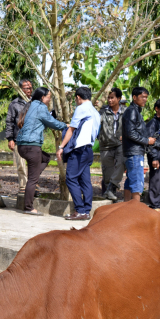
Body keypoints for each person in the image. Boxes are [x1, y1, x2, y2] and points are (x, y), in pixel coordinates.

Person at [16, 87, 67, 215]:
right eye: (49, 97)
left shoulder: (31, 105)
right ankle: (28, 208)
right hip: (32, 146)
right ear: (42, 97)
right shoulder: (41, 107)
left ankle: (34, 175)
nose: (49, 99)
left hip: (22, 146)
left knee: (45, 158)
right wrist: (66, 126)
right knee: (32, 180)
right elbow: (51, 123)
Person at [56, 87, 100, 221]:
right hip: (88, 150)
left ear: (78, 97)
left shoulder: (81, 108)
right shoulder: (95, 112)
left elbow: (71, 130)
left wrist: (61, 146)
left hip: (79, 149)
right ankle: (86, 211)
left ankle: (80, 210)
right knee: (85, 181)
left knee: (70, 178)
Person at [121, 87, 160, 203]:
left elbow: (143, 135)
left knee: (130, 180)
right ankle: (136, 209)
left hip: (134, 151)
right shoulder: (131, 111)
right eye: (142, 97)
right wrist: (147, 141)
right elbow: (130, 133)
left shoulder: (136, 111)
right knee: (137, 181)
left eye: (146, 97)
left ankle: (126, 206)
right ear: (134, 97)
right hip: (134, 152)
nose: (145, 99)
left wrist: (159, 144)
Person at [98, 88, 127, 200]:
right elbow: (96, 122)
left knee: (121, 163)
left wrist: (125, 136)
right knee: (107, 172)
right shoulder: (103, 112)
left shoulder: (126, 111)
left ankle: (111, 189)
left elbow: (130, 126)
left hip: (120, 144)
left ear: (119, 99)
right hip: (105, 145)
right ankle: (109, 194)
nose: (110, 100)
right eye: (108, 98)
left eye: (112, 98)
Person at [5, 79, 33, 192]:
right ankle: (23, 186)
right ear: (20, 89)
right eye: (27, 88)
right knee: (21, 165)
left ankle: (31, 186)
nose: (29, 90)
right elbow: (9, 121)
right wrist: (10, 138)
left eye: (30, 88)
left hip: (33, 139)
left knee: (33, 164)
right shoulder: (14, 104)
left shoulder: (35, 103)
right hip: (18, 139)